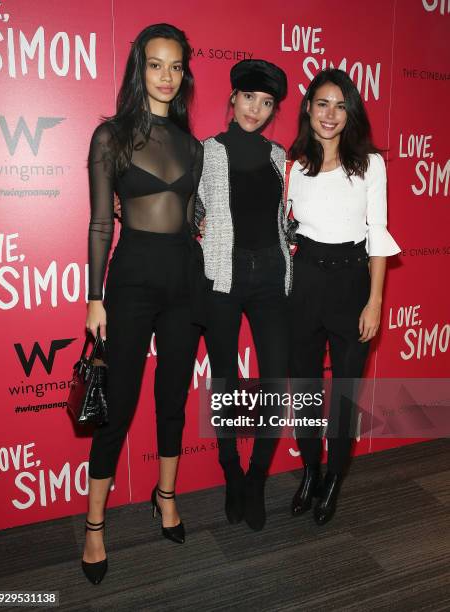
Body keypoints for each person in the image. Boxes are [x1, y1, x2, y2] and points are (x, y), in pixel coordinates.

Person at [83, 23, 204, 584]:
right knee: (119, 406)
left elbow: (196, 218)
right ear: (140, 69)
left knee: (173, 396)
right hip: (129, 283)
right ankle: (94, 527)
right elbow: (101, 224)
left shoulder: (193, 145)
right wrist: (95, 298)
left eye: (176, 66)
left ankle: (166, 496)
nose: (167, 75)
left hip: (186, 281)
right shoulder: (110, 137)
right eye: (156, 64)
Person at [287, 68, 400, 525]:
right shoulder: (293, 165)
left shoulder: (371, 164)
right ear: (308, 109)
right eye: (322, 104)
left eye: (340, 105)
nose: (330, 114)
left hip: (353, 284)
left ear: (350, 111)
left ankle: (334, 477)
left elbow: (377, 234)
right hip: (304, 283)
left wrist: (374, 302)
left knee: (344, 396)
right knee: (307, 391)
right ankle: (311, 471)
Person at [196, 59, 291, 532]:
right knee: (227, 381)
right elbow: (187, 206)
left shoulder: (280, 156)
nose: (256, 108)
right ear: (233, 98)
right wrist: (197, 223)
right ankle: (231, 470)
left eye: (267, 102)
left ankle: (256, 478)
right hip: (223, 279)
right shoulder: (206, 151)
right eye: (249, 97)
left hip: (272, 275)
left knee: (277, 380)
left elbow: (285, 216)